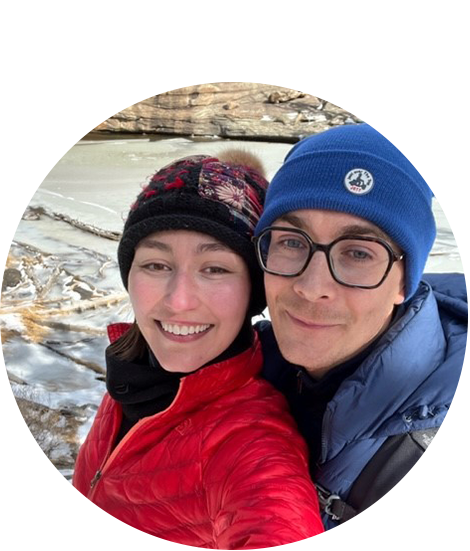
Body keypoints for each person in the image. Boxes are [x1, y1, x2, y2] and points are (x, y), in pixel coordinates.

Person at [72, 152, 330, 549]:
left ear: (253, 292)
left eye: (215, 269)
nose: (179, 302)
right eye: (156, 265)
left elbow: (277, 518)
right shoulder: (132, 369)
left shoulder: (251, 443)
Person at [252, 124, 470, 544]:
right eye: (293, 242)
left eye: (357, 253)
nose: (312, 285)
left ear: (404, 282)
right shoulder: (255, 367)